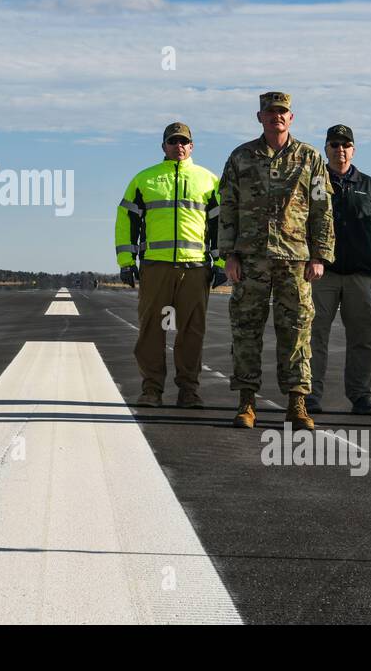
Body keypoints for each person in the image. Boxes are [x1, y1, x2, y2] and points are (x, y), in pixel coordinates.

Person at [219, 92, 334, 430]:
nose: (276, 117)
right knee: (246, 330)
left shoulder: (309, 158)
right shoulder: (241, 157)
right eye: (270, 112)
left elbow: (322, 210)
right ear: (260, 117)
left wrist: (319, 256)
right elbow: (227, 206)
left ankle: (297, 405)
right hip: (251, 259)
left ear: (291, 117)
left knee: (297, 332)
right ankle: (246, 403)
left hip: (295, 260)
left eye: (282, 112)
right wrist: (229, 254)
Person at [114, 122, 224, 408]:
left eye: (184, 142)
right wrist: (126, 262)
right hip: (156, 268)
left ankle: (189, 390)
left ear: (192, 146)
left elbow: (221, 224)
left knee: (191, 332)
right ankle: (151, 389)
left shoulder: (209, 181)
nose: (179, 146)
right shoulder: (145, 180)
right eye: (173, 142)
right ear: (163, 146)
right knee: (152, 330)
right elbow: (126, 221)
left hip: (196, 269)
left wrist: (221, 261)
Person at [308, 124, 371, 415]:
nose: (339, 150)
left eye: (345, 145)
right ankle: (309, 395)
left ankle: (361, 396)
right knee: (314, 337)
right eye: (334, 145)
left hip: (361, 275)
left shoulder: (368, 186)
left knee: (362, 339)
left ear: (353, 150)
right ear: (326, 149)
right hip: (322, 275)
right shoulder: (315, 183)